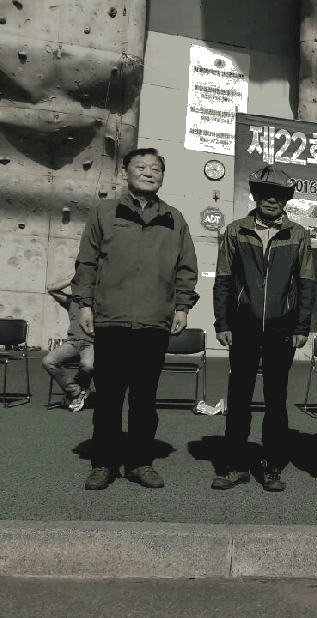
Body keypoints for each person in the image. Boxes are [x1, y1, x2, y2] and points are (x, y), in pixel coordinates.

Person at [72, 147, 199, 490]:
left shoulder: (174, 218)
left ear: (162, 176)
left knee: (144, 399)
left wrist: (182, 307)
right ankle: (104, 463)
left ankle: (140, 462)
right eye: (141, 166)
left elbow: (186, 267)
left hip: (154, 322)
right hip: (112, 319)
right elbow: (87, 262)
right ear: (125, 172)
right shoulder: (105, 212)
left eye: (156, 168)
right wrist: (84, 304)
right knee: (109, 398)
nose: (149, 172)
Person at [211, 166, 315, 492]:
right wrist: (223, 322)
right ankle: (234, 465)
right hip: (243, 325)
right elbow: (223, 280)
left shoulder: (298, 234)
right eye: (266, 193)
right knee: (239, 397)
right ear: (255, 195)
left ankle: (272, 466)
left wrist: (301, 326)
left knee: (276, 399)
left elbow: (307, 283)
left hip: (282, 327)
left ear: (287, 200)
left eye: (279, 195)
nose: (272, 199)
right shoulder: (235, 231)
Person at [42, 274, 94, 412]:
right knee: (48, 361)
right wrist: (72, 280)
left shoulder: (100, 304)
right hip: (72, 343)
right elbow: (51, 289)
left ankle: (77, 389)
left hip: (91, 344)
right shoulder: (71, 301)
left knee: (88, 366)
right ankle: (76, 391)